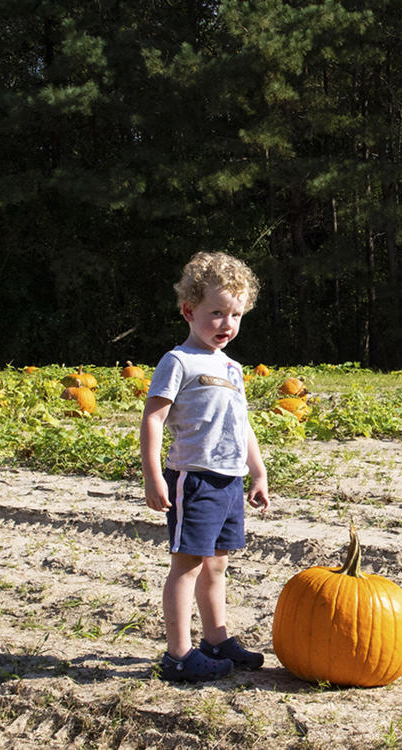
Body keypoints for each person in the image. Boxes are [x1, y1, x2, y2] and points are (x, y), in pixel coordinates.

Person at [140, 251, 270, 682]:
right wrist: (154, 475)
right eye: (216, 313)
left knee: (217, 564)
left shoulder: (231, 367)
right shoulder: (178, 361)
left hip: (229, 481)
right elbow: (153, 419)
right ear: (189, 311)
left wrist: (258, 472)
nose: (226, 324)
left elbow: (241, 423)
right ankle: (178, 654)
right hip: (193, 479)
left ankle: (216, 639)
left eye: (235, 314)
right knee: (187, 564)